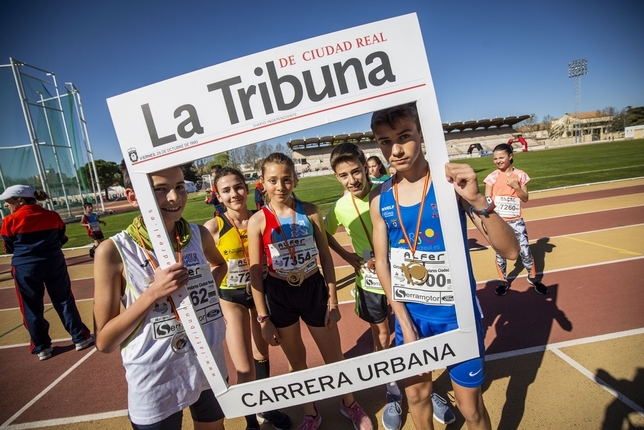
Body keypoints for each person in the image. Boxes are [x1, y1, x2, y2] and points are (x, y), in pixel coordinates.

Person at [369, 103, 519, 430]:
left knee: (470, 408)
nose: (394, 149)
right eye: (384, 141)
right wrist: (405, 324)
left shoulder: (450, 182)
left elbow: (509, 250)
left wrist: (479, 201)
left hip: (458, 319)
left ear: (421, 134)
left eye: (404, 136)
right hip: (412, 321)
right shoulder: (379, 198)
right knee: (418, 399)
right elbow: (382, 263)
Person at [324, 143, 455, 430]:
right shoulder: (339, 207)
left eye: (356, 171)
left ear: (365, 165)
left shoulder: (386, 191)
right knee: (382, 338)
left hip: (406, 277)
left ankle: (426, 389)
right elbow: (324, 232)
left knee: (415, 333)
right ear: (336, 177)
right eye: (343, 176)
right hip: (371, 283)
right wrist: (347, 255)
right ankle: (393, 392)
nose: (352, 180)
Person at [93, 165, 228, 429]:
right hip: (156, 379)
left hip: (207, 361)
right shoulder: (112, 251)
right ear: (133, 196)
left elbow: (220, 265)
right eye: (159, 189)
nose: (175, 198)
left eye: (179, 186)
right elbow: (105, 341)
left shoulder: (198, 235)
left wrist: (204, 291)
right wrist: (153, 293)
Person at [247, 153, 373, 430]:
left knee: (334, 356)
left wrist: (333, 300)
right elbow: (255, 273)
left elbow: (326, 258)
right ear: (262, 183)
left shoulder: (311, 211)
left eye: (287, 179)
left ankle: (349, 403)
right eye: (273, 180)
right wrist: (263, 318)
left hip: (314, 288)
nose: (281, 186)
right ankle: (310, 410)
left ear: (295, 180)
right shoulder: (257, 221)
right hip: (280, 294)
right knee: (297, 361)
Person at [203, 167, 292, 430]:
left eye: (238, 187)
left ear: (248, 187)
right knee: (243, 367)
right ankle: (251, 422)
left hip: (260, 295)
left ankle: (266, 407)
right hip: (232, 301)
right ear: (218, 196)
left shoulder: (259, 219)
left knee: (261, 357)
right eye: (226, 190)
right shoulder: (212, 228)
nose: (234, 194)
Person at [0, 185, 94, 361]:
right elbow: (61, 239)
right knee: (64, 300)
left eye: (8, 201)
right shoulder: (53, 216)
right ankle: (80, 337)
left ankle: (42, 346)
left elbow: (8, 247)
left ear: (20, 201)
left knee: (31, 307)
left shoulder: (9, 221)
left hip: (25, 267)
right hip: (54, 263)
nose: (6, 205)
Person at [484, 143, 548, 296]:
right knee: (500, 253)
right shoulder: (491, 177)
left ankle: (533, 278)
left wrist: (516, 186)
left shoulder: (520, 175)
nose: (498, 161)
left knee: (525, 251)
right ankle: (503, 281)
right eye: (495, 158)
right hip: (499, 222)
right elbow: (487, 200)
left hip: (516, 220)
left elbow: (525, 198)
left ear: (510, 156)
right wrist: (488, 220)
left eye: (501, 157)